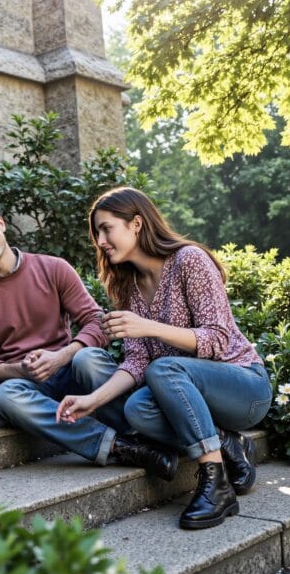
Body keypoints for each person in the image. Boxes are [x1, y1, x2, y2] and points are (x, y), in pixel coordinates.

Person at [56, 187, 273, 530]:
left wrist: (149, 327)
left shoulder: (189, 260)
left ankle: (216, 483)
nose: (101, 241)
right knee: (137, 408)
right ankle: (226, 441)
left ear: (137, 223)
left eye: (107, 229)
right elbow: (136, 362)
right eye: (97, 233)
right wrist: (92, 400)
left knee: (163, 369)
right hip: (189, 396)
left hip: (245, 387)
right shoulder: (128, 286)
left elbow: (218, 340)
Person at [0, 198, 177, 478]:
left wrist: (62, 356)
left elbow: (96, 322)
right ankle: (119, 445)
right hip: (30, 386)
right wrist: (19, 370)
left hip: (71, 371)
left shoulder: (53, 268)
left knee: (88, 359)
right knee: (5, 397)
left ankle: (136, 433)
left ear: (0, 223)